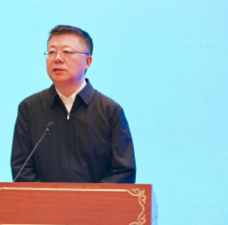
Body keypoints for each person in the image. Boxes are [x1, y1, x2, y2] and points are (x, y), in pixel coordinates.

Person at [11, 25, 135, 183]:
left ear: (87, 62)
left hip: (96, 200)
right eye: (52, 52)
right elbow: (22, 169)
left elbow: (123, 172)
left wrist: (87, 198)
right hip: (42, 200)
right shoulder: (29, 108)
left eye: (67, 52)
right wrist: (47, 197)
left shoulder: (109, 110)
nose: (57, 58)